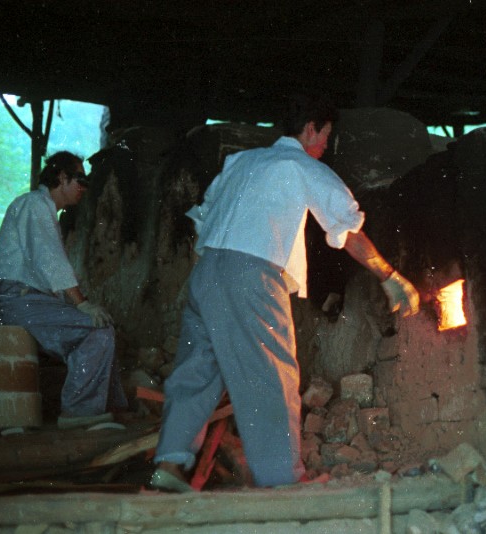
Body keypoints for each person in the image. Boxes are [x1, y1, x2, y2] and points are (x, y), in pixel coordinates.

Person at [150, 94, 420, 493]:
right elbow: (347, 229)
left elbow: (203, 218)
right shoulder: (300, 165)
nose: (326, 145)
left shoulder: (241, 162)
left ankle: (169, 466)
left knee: (196, 370)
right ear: (311, 128)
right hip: (252, 274)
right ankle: (282, 482)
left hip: (207, 271)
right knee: (270, 377)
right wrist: (390, 276)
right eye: (326, 135)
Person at [0, 150, 128, 429]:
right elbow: (50, 260)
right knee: (97, 329)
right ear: (62, 178)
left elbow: (49, 267)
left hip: (27, 302)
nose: (84, 190)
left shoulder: (43, 209)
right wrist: (82, 303)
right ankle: (79, 413)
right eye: (80, 181)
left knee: (100, 328)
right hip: (18, 302)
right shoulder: (34, 204)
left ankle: (108, 408)